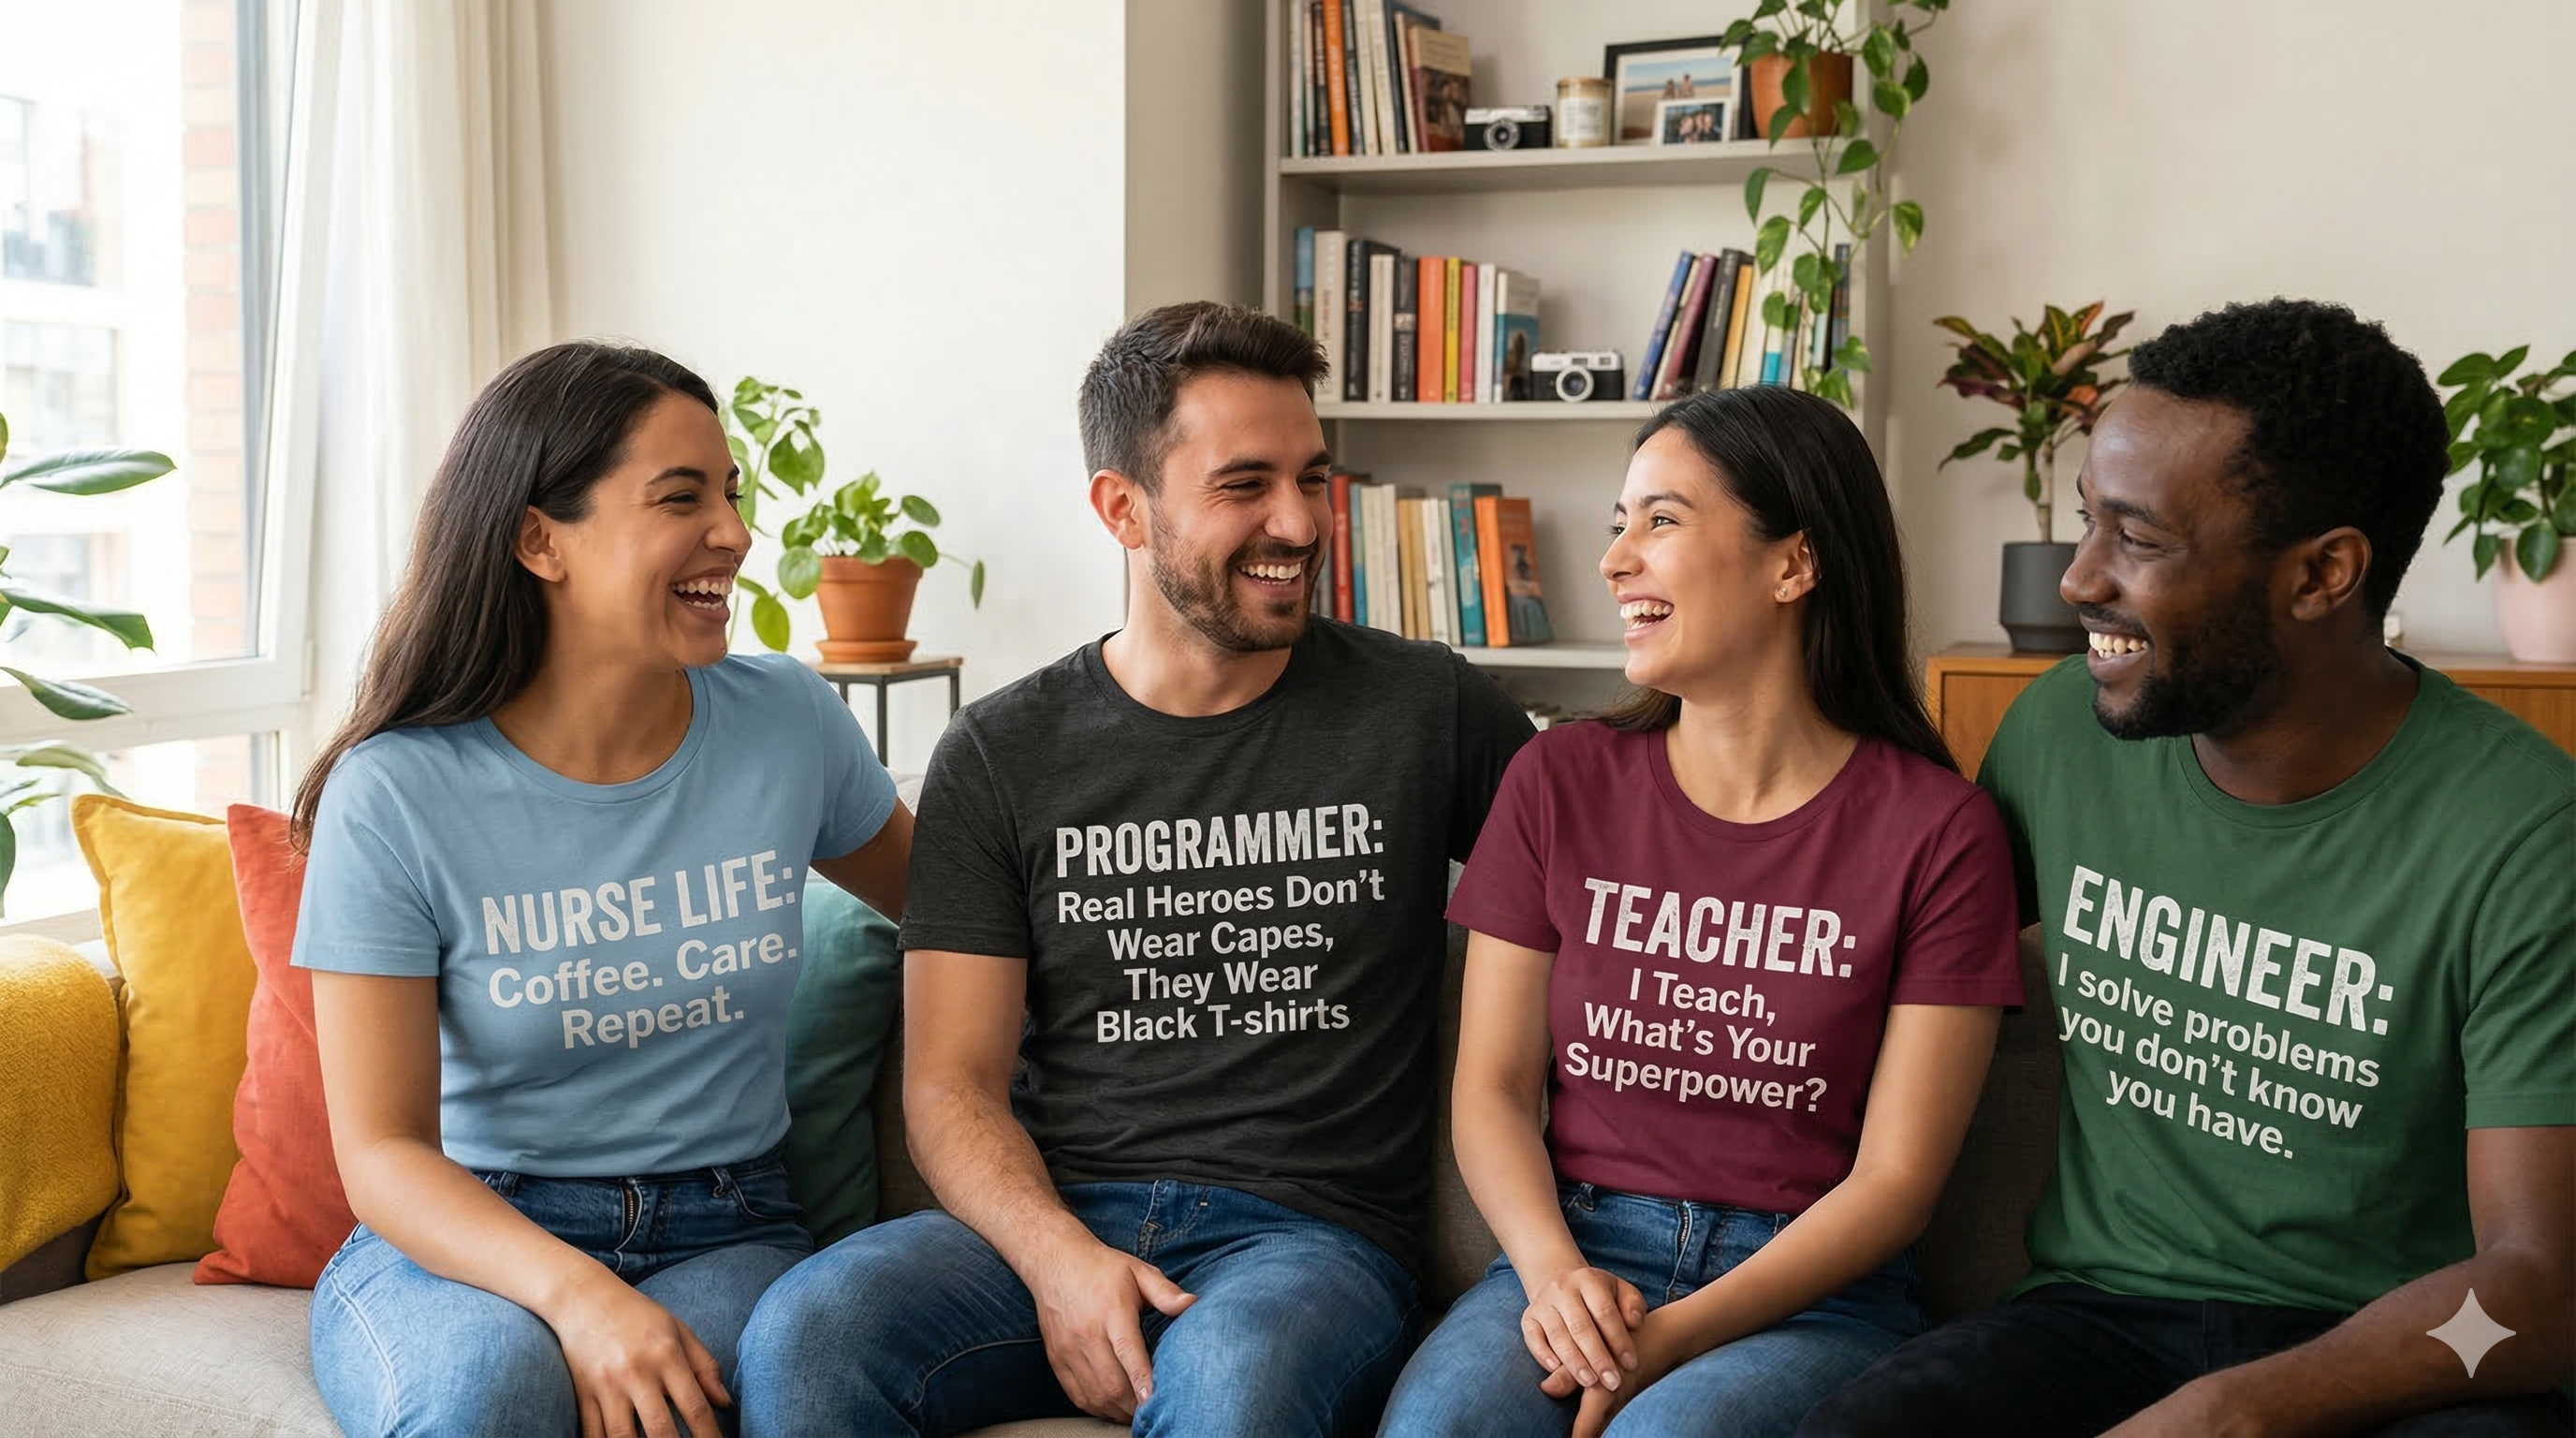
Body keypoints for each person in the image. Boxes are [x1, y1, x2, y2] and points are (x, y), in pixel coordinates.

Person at [735, 301, 1536, 1438]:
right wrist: (1059, 1259)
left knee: (1236, 1387)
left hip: (1308, 1244)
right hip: (1050, 1221)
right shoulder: (1002, 751)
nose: (1298, 522)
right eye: (1244, 485)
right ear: (1121, 507)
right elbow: (950, 1085)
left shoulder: (1427, 709)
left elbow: (1622, 867)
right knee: (805, 1339)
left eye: (1312, 479)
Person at [1800, 300, 2575, 1438]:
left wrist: (2231, 1412)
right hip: (2095, 1320)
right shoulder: (2056, 734)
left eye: (2139, 539)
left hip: (2402, 1355)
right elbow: (1862, 963)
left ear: (2321, 574)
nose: (2077, 580)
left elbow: (2538, 1296)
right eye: (2086, 522)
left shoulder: (2526, 834)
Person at [1373, 386, 2024, 1438]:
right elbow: (1492, 1090)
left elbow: (1897, 1180)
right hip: (1578, 1253)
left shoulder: (1941, 831)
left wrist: (1674, 1337)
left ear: (1793, 564)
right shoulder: (1557, 779)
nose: (1614, 560)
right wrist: (1553, 1276)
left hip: (1813, 1294)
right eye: (1618, 523)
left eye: (1661, 521)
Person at [296, 341, 914, 1438]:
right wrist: (579, 1297)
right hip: (471, 1236)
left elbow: (963, 918)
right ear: (541, 540)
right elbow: (382, 1151)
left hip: (727, 1226)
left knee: (732, 1392)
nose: (734, 533)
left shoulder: (785, 722)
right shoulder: (396, 791)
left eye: (729, 494)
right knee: (488, 1397)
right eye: (681, 497)